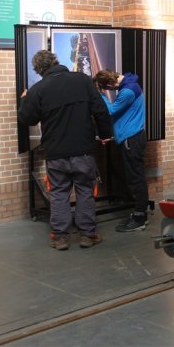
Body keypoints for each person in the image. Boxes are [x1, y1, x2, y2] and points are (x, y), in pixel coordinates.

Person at [18, 50, 113, 250]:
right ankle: (88, 235)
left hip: (55, 152)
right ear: (56, 61)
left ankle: (60, 237)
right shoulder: (82, 81)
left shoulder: (38, 89)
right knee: (85, 191)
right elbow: (100, 110)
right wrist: (105, 135)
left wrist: (26, 99)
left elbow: (27, 119)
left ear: (39, 70)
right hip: (83, 150)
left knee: (59, 193)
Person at [93, 69, 149, 232]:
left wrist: (100, 94)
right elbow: (126, 116)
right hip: (130, 138)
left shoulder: (128, 91)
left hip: (132, 140)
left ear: (110, 83)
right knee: (134, 177)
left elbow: (110, 111)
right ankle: (139, 214)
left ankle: (140, 218)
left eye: (108, 89)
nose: (110, 91)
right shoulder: (129, 85)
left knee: (135, 179)